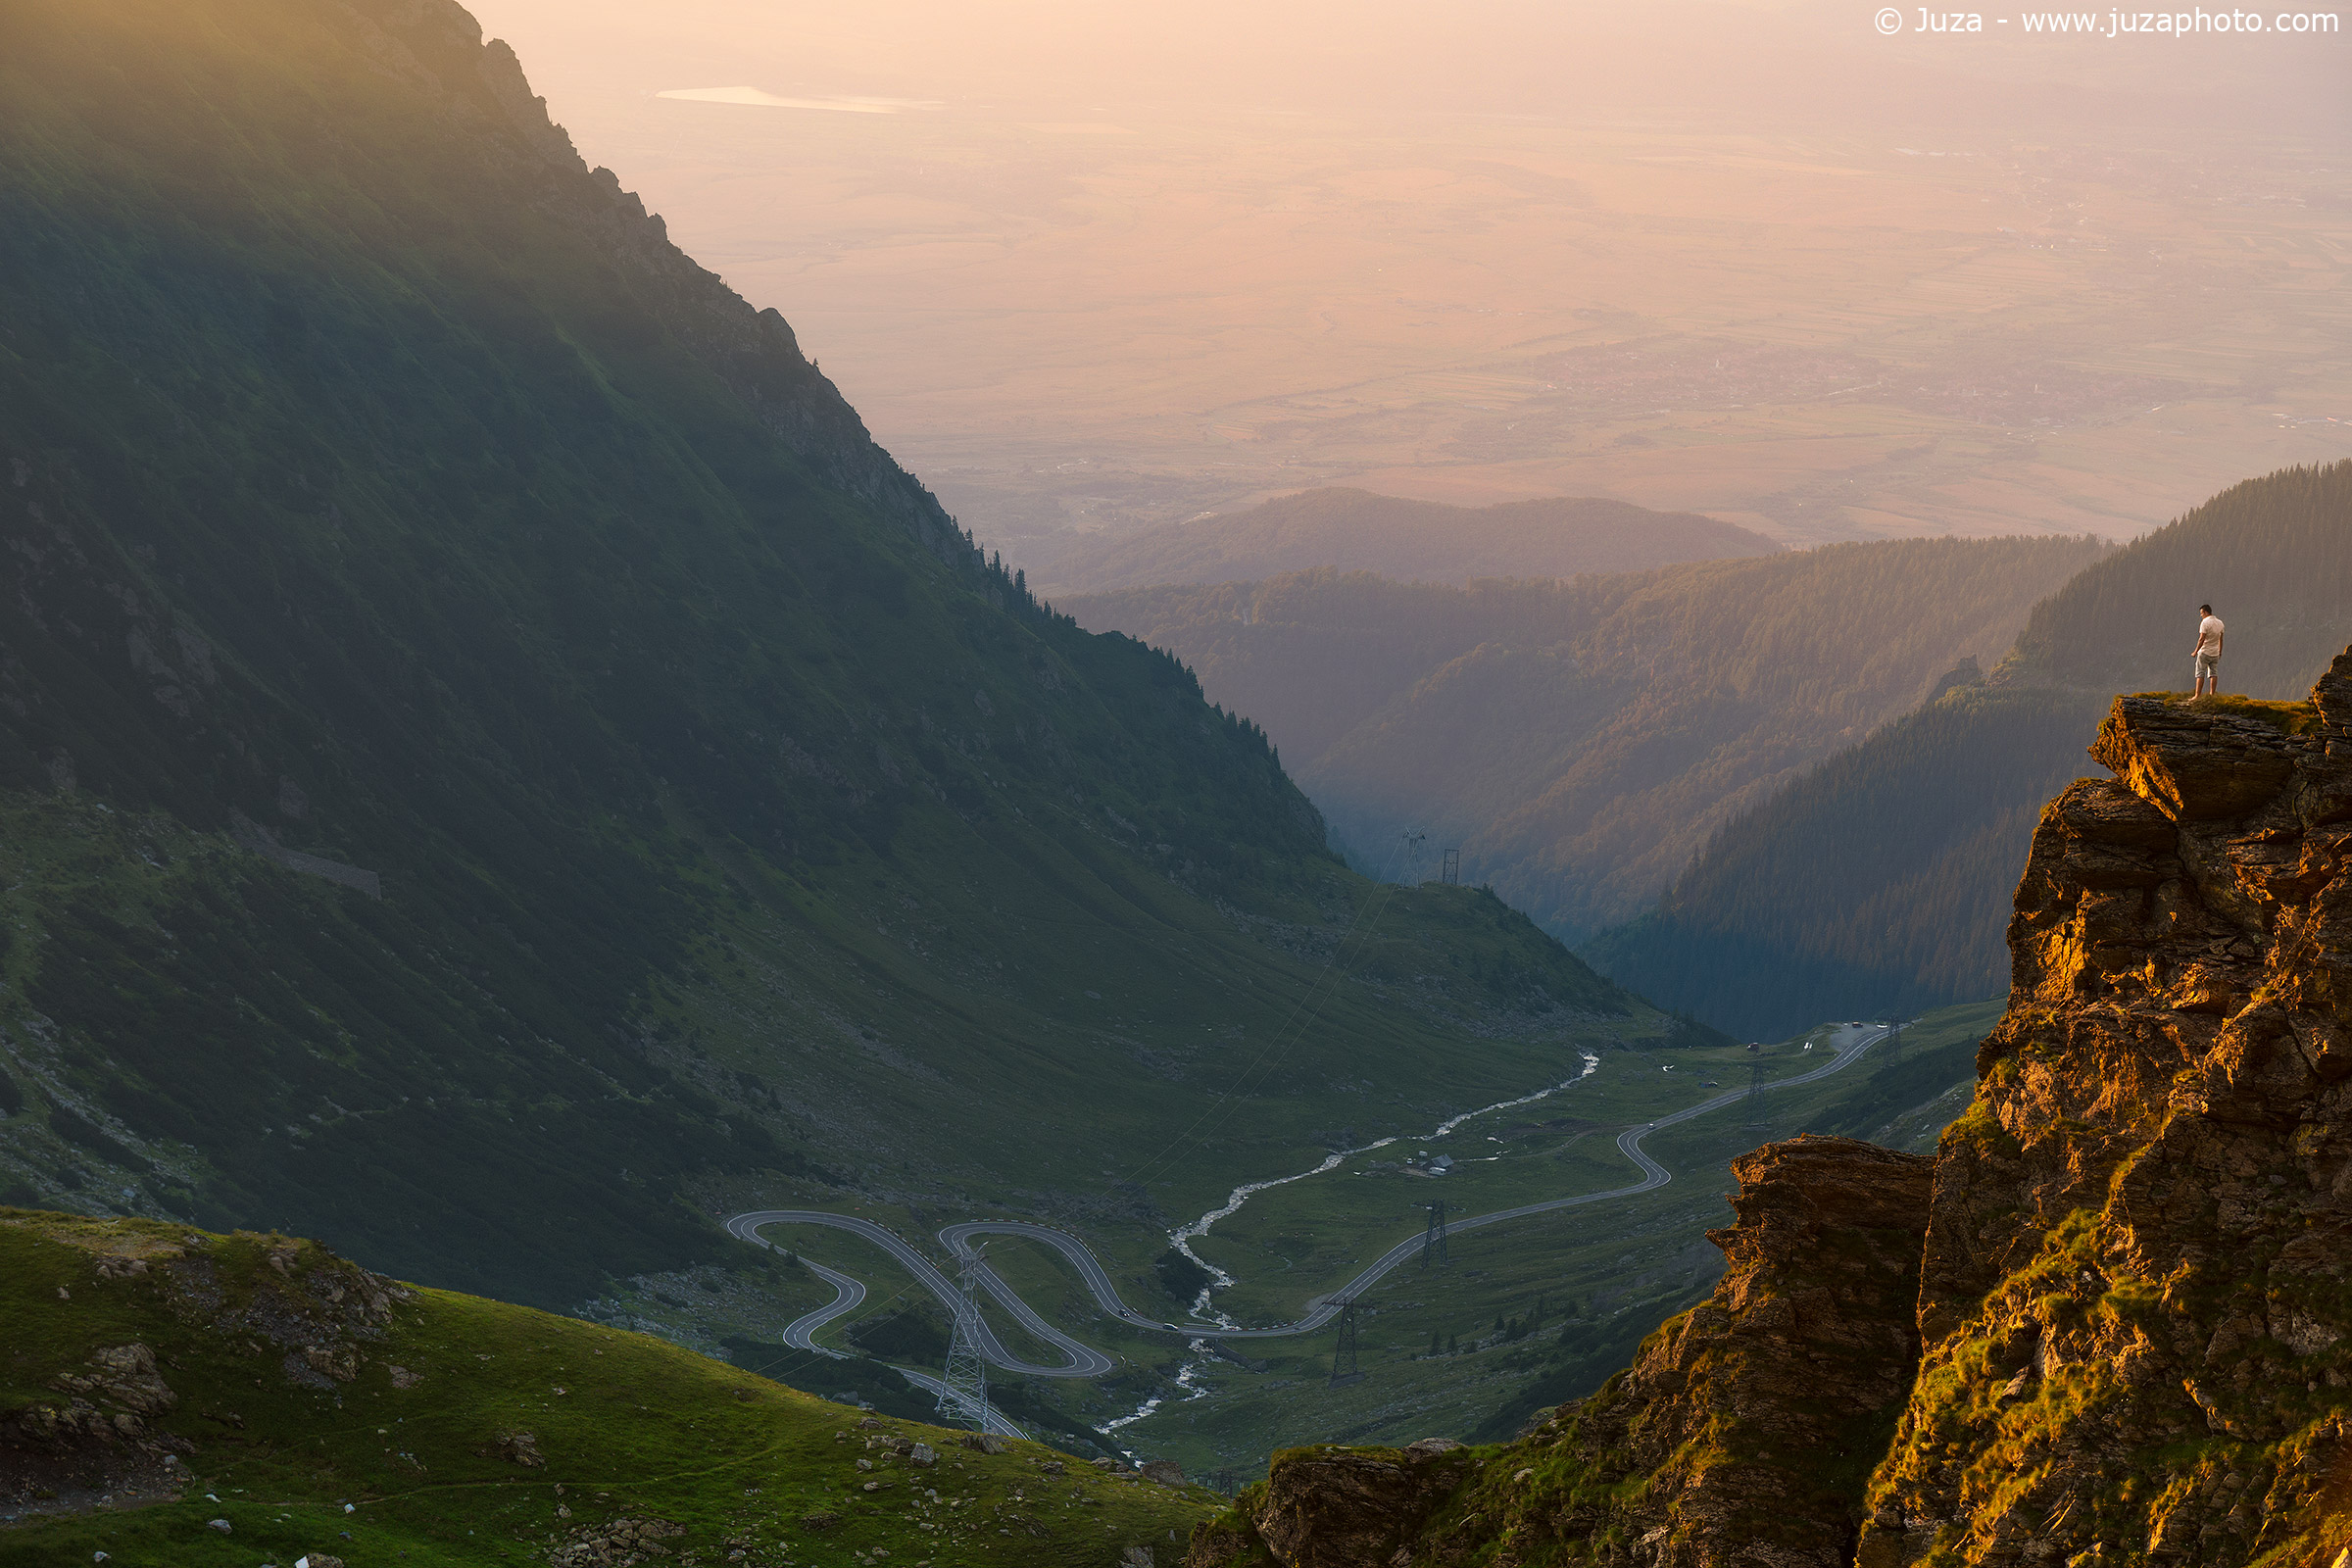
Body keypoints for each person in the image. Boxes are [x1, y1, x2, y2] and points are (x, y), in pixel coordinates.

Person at [2193, 604, 2226, 698]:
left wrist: (2195, 651)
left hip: (2205, 651)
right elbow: (2221, 639)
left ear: (2206, 612)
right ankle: (2212, 694)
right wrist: (2220, 651)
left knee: (2200, 673)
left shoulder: (2205, 622)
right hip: (2215, 652)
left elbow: (2201, 638)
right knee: (2213, 673)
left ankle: (2197, 695)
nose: (2201, 615)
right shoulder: (2220, 623)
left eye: (2201, 613)